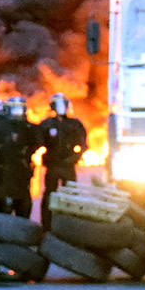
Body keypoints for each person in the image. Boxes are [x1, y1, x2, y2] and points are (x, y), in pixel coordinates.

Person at [40, 93, 88, 229]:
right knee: (50, 194)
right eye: (58, 104)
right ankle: (47, 225)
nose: (61, 107)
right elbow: (37, 142)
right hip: (53, 166)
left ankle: (70, 225)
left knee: (71, 195)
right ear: (53, 107)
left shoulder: (75, 124)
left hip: (68, 166)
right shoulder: (47, 124)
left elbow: (84, 145)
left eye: (63, 104)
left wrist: (74, 158)